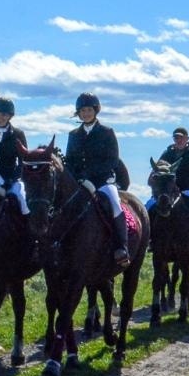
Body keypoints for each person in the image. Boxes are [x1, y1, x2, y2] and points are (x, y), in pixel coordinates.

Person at [64, 92, 130, 267]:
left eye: (89, 110)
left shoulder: (107, 132)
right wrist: (78, 178)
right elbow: (70, 161)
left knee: (115, 204)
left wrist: (91, 178)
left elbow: (112, 160)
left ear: (95, 110)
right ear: (78, 113)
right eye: (83, 110)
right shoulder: (73, 135)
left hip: (102, 181)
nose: (86, 113)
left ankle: (121, 247)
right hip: (79, 183)